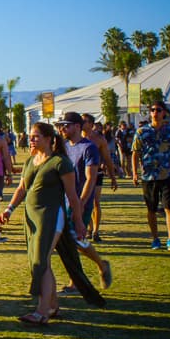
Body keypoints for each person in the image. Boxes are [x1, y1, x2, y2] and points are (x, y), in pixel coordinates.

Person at [0, 123, 106, 324]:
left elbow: (72, 196)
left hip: (51, 217)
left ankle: (41, 312)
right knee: (38, 262)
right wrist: (9, 209)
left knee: (41, 261)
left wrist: (79, 222)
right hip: (31, 218)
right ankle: (53, 306)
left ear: (49, 139)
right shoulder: (30, 161)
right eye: (31, 136)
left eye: (36, 136)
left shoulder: (60, 162)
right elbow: (22, 189)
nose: (31, 140)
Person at [58, 113, 114, 290]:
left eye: (66, 125)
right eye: (61, 125)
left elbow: (90, 178)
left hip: (81, 200)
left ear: (77, 126)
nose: (63, 129)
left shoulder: (89, 148)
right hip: (65, 200)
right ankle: (98, 266)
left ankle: (85, 275)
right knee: (69, 241)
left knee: (74, 239)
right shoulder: (65, 146)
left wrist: (81, 203)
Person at [131, 101, 170, 250]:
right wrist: (134, 173)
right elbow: (135, 153)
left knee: (169, 208)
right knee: (151, 209)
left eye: (158, 110)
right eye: (152, 110)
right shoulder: (142, 131)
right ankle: (155, 239)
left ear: (164, 113)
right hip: (148, 176)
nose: (155, 112)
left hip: (167, 175)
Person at [80, 113, 119, 241]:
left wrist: (113, 177)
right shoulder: (77, 138)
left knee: (96, 202)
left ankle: (96, 231)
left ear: (91, 124)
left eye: (84, 121)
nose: (81, 123)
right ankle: (88, 228)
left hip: (97, 174)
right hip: (81, 176)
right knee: (83, 203)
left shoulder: (99, 139)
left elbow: (107, 159)